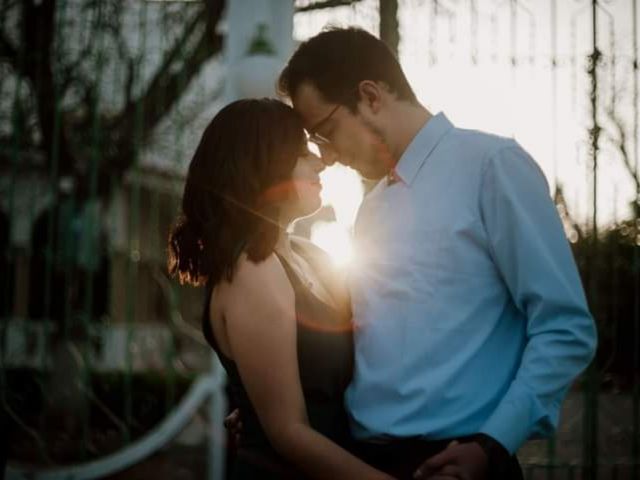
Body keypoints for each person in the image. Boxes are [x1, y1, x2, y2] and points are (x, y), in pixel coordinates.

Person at [230, 27, 597, 480]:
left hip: (460, 463)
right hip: (361, 461)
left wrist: (493, 444)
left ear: (370, 97)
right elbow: (362, 351)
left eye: (326, 131)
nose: (327, 156)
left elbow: (565, 327)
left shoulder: (491, 166)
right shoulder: (370, 208)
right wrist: (269, 408)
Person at [168, 98, 394, 479]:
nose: (321, 161)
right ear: (266, 165)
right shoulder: (251, 272)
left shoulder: (310, 255)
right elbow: (289, 433)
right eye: (304, 151)